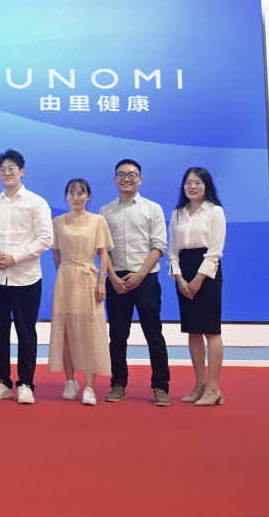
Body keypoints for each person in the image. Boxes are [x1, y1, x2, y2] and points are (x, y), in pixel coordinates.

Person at [0, 149, 53, 405]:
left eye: (11, 168)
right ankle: (2, 382)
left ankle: (26, 384)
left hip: (26, 278)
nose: (6, 172)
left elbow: (46, 239)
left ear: (22, 171)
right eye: (2, 169)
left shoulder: (36, 202)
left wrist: (15, 258)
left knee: (26, 332)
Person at [99, 159, 171, 406]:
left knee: (154, 335)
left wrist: (141, 274)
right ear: (115, 179)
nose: (126, 178)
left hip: (146, 278)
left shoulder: (153, 208)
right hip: (117, 279)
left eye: (131, 174)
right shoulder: (105, 212)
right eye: (121, 174)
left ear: (140, 179)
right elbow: (102, 250)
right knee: (118, 336)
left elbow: (159, 245)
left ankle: (160, 386)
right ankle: (118, 383)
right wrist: (112, 277)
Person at [48, 179, 113, 406]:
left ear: (88, 196)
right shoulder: (57, 221)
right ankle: (70, 381)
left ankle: (90, 388)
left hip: (89, 277)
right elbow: (56, 253)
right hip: (65, 277)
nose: (76, 197)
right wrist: (65, 272)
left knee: (89, 332)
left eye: (81, 193)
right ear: (66, 196)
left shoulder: (98, 220)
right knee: (66, 331)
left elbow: (103, 253)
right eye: (71, 193)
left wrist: (102, 281)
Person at [168, 167, 227, 406]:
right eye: (188, 182)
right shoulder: (178, 213)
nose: (192, 187)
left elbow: (215, 251)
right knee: (193, 330)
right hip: (184, 271)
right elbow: (172, 250)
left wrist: (199, 278)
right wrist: (179, 278)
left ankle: (213, 388)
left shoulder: (215, 211)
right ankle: (200, 386)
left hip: (207, 272)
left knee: (211, 330)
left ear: (206, 185)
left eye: (198, 182)